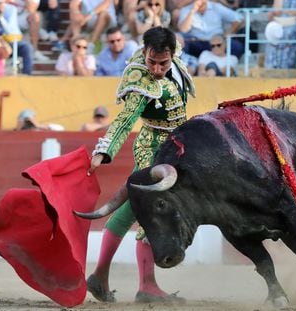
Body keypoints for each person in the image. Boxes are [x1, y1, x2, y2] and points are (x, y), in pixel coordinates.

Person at [86, 26, 195, 303]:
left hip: (175, 146)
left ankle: (99, 275)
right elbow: (124, 120)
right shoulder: (141, 80)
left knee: (128, 210)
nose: (157, 70)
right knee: (151, 211)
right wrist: (104, 150)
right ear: (144, 53)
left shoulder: (171, 51)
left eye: (163, 63)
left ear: (172, 53)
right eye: (151, 62)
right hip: (154, 148)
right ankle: (147, 286)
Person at [0, 0, 35, 75]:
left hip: (11, 40)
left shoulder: (11, 9)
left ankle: (27, 76)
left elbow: (10, 31)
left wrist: (1, 17)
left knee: (27, 48)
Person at [177, 0, 244, 58]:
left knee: (237, 47)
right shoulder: (186, 10)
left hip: (217, 42)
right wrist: (193, 10)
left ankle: (223, 64)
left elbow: (239, 18)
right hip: (197, 42)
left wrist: (227, 33)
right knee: (180, 42)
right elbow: (183, 30)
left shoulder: (216, 7)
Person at [264, 0, 296, 69]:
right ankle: (271, 64)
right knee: (272, 30)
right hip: (280, 21)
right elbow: (276, 11)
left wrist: (289, 12)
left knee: (289, 32)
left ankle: (286, 65)